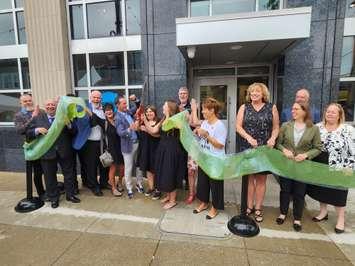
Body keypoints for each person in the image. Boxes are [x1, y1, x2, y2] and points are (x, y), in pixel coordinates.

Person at [307, 103, 355, 234]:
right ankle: (323, 212)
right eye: (328, 111)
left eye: (333, 112)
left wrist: (350, 167)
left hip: (339, 165)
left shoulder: (348, 129)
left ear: (340, 115)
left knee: (338, 192)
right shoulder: (317, 127)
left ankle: (341, 219)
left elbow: (353, 150)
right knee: (321, 189)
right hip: (320, 163)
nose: (330, 114)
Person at [236, 83, 279, 222]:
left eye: (257, 91)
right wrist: (248, 137)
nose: (254, 93)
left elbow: (276, 127)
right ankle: (249, 206)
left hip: (264, 149)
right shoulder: (244, 107)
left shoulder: (271, 107)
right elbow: (238, 126)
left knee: (261, 179)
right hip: (248, 147)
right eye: (252, 91)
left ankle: (258, 208)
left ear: (263, 94)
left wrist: (273, 138)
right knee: (249, 179)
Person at [276, 102, 321, 231]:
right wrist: (284, 150)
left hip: (302, 166)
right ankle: (283, 213)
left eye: (296, 109)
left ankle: (297, 218)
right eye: (292, 109)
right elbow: (278, 144)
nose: (292, 111)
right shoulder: (285, 125)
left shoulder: (313, 128)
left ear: (304, 111)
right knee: (285, 190)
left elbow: (318, 148)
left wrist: (306, 155)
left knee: (299, 193)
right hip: (286, 165)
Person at [26, 98, 79, 208]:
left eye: (53, 105)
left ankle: (70, 195)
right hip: (47, 152)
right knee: (49, 177)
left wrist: (69, 124)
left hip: (64, 150)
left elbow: (74, 132)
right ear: (45, 107)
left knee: (69, 174)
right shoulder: (38, 118)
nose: (51, 106)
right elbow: (28, 132)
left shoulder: (64, 116)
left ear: (57, 106)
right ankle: (54, 198)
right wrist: (36, 130)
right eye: (48, 105)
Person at [191, 97, 227, 219]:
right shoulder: (205, 123)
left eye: (204, 109)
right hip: (204, 159)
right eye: (202, 109)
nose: (203, 112)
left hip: (215, 161)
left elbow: (220, 145)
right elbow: (201, 136)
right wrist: (197, 132)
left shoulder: (220, 125)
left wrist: (206, 135)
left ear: (212, 110)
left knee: (215, 185)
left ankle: (215, 207)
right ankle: (204, 203)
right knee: (203, 183)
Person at [87, 103, 125, 197]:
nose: (109, 112)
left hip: (121, 148)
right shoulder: (104, 122)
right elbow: (93, 115)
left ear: (113, 110)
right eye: (106, 110)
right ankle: (113, 188)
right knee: (113, 168)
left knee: (122, 168)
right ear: (104, 113)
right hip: (111, 149)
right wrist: (86, 108)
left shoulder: (118, 120)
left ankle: (119, 182)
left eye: (110, 110)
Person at [154, 100, 186, 209]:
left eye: (164, 105)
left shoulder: (176, 120)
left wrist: (168, 115)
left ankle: (173, 200)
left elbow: (167, 126)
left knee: (170, 174)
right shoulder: (164, 118)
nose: (162, 107)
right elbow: (158, 129)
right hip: (163, 149)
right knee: (164, 174)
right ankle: (168, 196)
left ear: (169, 108)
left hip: (172, 151)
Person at [76, 91, 109, 197]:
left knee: (104, 163)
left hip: (102, 141)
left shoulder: (104, 109)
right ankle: (94, 186)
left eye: (98, 98)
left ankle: (104, 183)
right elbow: (89, 123)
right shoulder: (84, 109)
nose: (96, 99)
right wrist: (92, 116)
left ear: (101, 99)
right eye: (94, 97)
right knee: (92, 166)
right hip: (89, 142)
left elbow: (106, 124)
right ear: (90, 98)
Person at [14, 94, 45, 200]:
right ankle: (41, 193)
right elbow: (20, 131)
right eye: (25, 101)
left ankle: (50, 190)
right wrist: (33, 118)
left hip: (45, 143)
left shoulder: (41, 111)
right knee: (37, 172)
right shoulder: (19, 115)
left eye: (29, 100)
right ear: (21, 103)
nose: (28, 102)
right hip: (32, 146)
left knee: (47, 169)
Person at [115, 94, 144, 198]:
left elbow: (137, 107)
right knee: (128, 168)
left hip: (137, 143)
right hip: (127, 146)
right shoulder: (117, 117)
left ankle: (139, 183)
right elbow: (120, 133)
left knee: (139, 166)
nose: (126, 105)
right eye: (123, 103)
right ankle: (129, 188)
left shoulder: (127, 112)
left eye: (126, 103)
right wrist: (130, 129)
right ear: (117, 105)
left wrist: (135, 99)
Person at [138, 105, 161, 198]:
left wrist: (147, 130)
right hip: (145, 148)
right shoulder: (143, 122)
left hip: (156, 149)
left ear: (155, 112)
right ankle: (151, 187)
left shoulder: (159, 122)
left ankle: (158, 189)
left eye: (151, 111)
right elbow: (136, 130)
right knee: (148, 169)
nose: (149, 113)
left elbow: (158, 135)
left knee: (156, 170)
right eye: (147, 112)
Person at [178, 86, 196, 204]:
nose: (183, 95)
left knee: (191, 170)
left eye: (185, 93)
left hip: (191, 142)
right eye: (181, 93)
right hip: (179, 141)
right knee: (180, 166)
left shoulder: (193, 106)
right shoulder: (176, 106)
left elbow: (194, 123)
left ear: (188, 95)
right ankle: (186, 188)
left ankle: (192, 193)